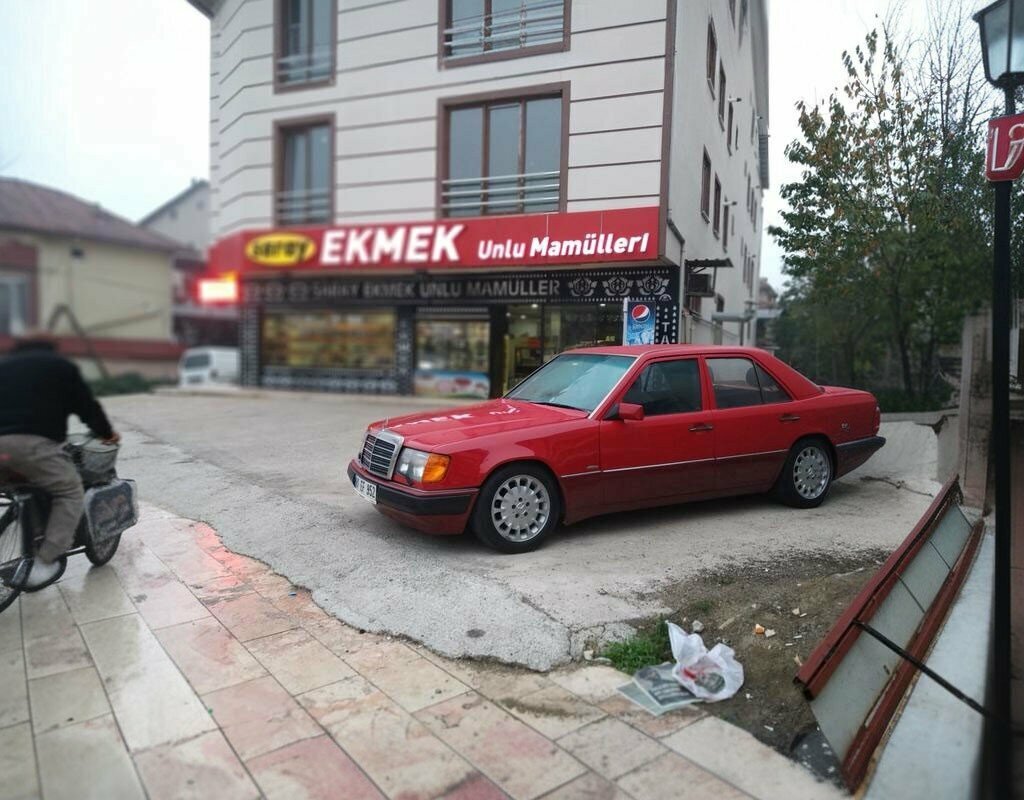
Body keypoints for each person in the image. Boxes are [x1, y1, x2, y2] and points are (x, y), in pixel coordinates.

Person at [0, 333, 120, 588]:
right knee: (69, 489)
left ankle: (29, 526)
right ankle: (46, 560)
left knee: (15, 487)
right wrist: (106, 433)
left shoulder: (3, 365)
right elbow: (87, 407)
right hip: (32, 445)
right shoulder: (60, 366)